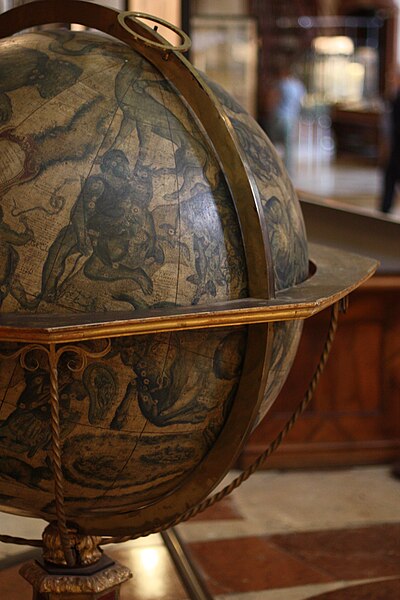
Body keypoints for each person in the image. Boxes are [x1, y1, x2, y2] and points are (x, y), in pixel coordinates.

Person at [267, 65, 306, 174]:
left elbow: (272, 99)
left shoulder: (281, 84)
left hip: (279, 116)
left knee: (272, 143)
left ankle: (272, 167)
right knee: (289, 146)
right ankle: (288, 170)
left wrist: (270, 112)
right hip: (291, 117)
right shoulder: (299, 85)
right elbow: (301, 102)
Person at [380, 76, 400, 214]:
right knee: (390, 178)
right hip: (396, 148)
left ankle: (385, 209)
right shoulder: (394, 99)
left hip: (397, 149)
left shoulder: (395, 99)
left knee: (390, 177)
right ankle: (385, 210)